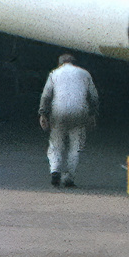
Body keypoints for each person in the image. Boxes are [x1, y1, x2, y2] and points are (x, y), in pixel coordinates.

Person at [38, 53, 99, 188]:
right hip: (79, 112)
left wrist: (43, 114)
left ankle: (55, 170)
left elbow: (46, 95)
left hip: (59, 112)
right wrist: (92, 114)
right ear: (74, 63)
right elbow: (94, 96)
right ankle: (69, 177)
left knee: (56, 143)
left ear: (60, 63)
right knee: (75, 146)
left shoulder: (55, 73)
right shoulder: (84, 73)